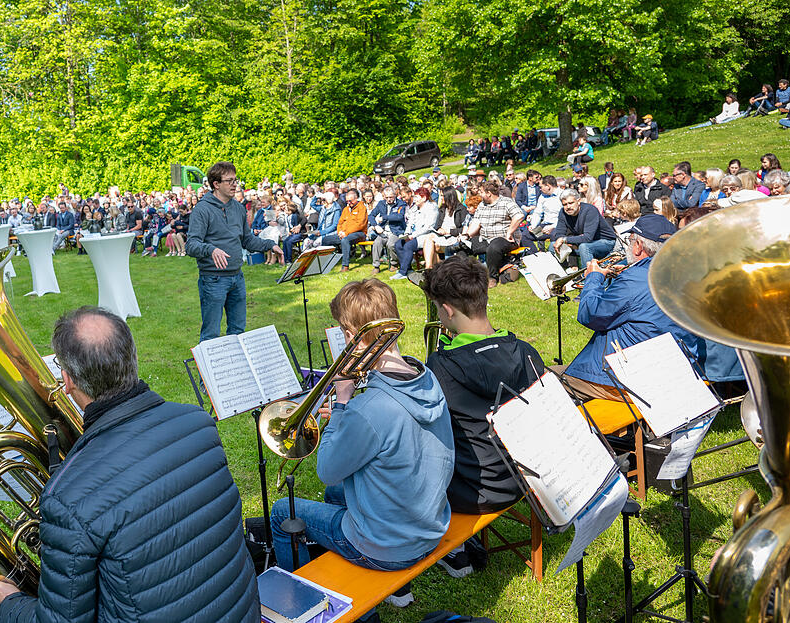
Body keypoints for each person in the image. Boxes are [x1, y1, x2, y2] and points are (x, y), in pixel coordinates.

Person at [0, 307, 259, 623]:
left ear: (66, 380)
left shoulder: (68, 495)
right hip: (238, 611)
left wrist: (11, 601)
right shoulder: (198, 422)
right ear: (132, 358)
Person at [269, 279, 454, 612]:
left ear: (352, 335)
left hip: (388, 546)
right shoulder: (424, 375)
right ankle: (389, 589)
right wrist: (347, 417)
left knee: (283, 512)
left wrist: (342, 404)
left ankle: (298, 609)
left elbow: (326, 470)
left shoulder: (369, 407)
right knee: (337, 496)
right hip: (429, 524)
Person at [422, 256, 544, 577]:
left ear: (447, 309)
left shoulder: (441, 366)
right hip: (522, 477)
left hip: (472, 492)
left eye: (437, 307)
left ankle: (453, 549)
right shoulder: (526, 351)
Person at [553, 214, 698, 401]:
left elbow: (590, 315)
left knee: (545, 378)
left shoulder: (635, 279)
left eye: (630, 241)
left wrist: (593, 278)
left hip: (634, 381)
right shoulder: (689, 274)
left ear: (638, 246)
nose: (628, 246)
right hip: (679, 369)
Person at [186, 161, 280, 342]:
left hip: (237, 277)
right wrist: (211, 249)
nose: (234, 184)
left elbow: (247, 240)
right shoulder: (202, 209)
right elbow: (191, 245)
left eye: (235, 180)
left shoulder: (238, 208)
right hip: (213, 279)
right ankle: (208, 370)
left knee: (238, 332)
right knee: (211, 334)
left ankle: (235, 370)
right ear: (216, 184)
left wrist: (270, 244)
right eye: (229, 181)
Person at [465, 180, 523, 287]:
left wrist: (510, 232)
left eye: (481, 192)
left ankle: (493, 277)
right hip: (486, 238)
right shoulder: (482, 205)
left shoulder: (506, 202)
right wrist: (467, 235)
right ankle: (463, 276)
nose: (480, 194)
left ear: (488, 193)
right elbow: (476, 222)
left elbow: (519, 215)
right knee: (464, 246)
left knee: (493, 247)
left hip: (506, 239)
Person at [551, 189, 617, 268]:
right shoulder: (563, 213)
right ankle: (560, 274)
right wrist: (563, 241)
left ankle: (588, 276)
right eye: (565, 204)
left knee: (584, 247)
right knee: (552, 245)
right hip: (585, 242)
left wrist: (565, 240)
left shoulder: (590, 210)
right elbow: (559, 233)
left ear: (578, 201)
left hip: (605, 242)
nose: (568, 207)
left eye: (571, 203)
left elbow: (588, 237)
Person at [392, 188, 438, 280]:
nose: (415, 199)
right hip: (413, 235)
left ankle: (403, 272)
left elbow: (428, 227)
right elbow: (410, 223)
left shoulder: (432, 208)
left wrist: (413, 235)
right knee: (398, 244)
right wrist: (407, 234)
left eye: (417, 197)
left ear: (424, 198)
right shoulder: (415, 208)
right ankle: (408, 269)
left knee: (408, 245)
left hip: (427, 235)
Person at [367, 185, 406, 274]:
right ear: (384, 196)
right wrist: (375, 225)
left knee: (391, 244)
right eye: (387, 197)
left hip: (396, 230)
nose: (389, 199)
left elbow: (399, 217)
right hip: (383, 231)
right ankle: (376, 266)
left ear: (395, 195)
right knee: (377, 243)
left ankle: (394, 263)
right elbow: (371, 215)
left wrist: (384, 217)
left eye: (391, 197)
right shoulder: (381, 203)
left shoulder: (401, 204)